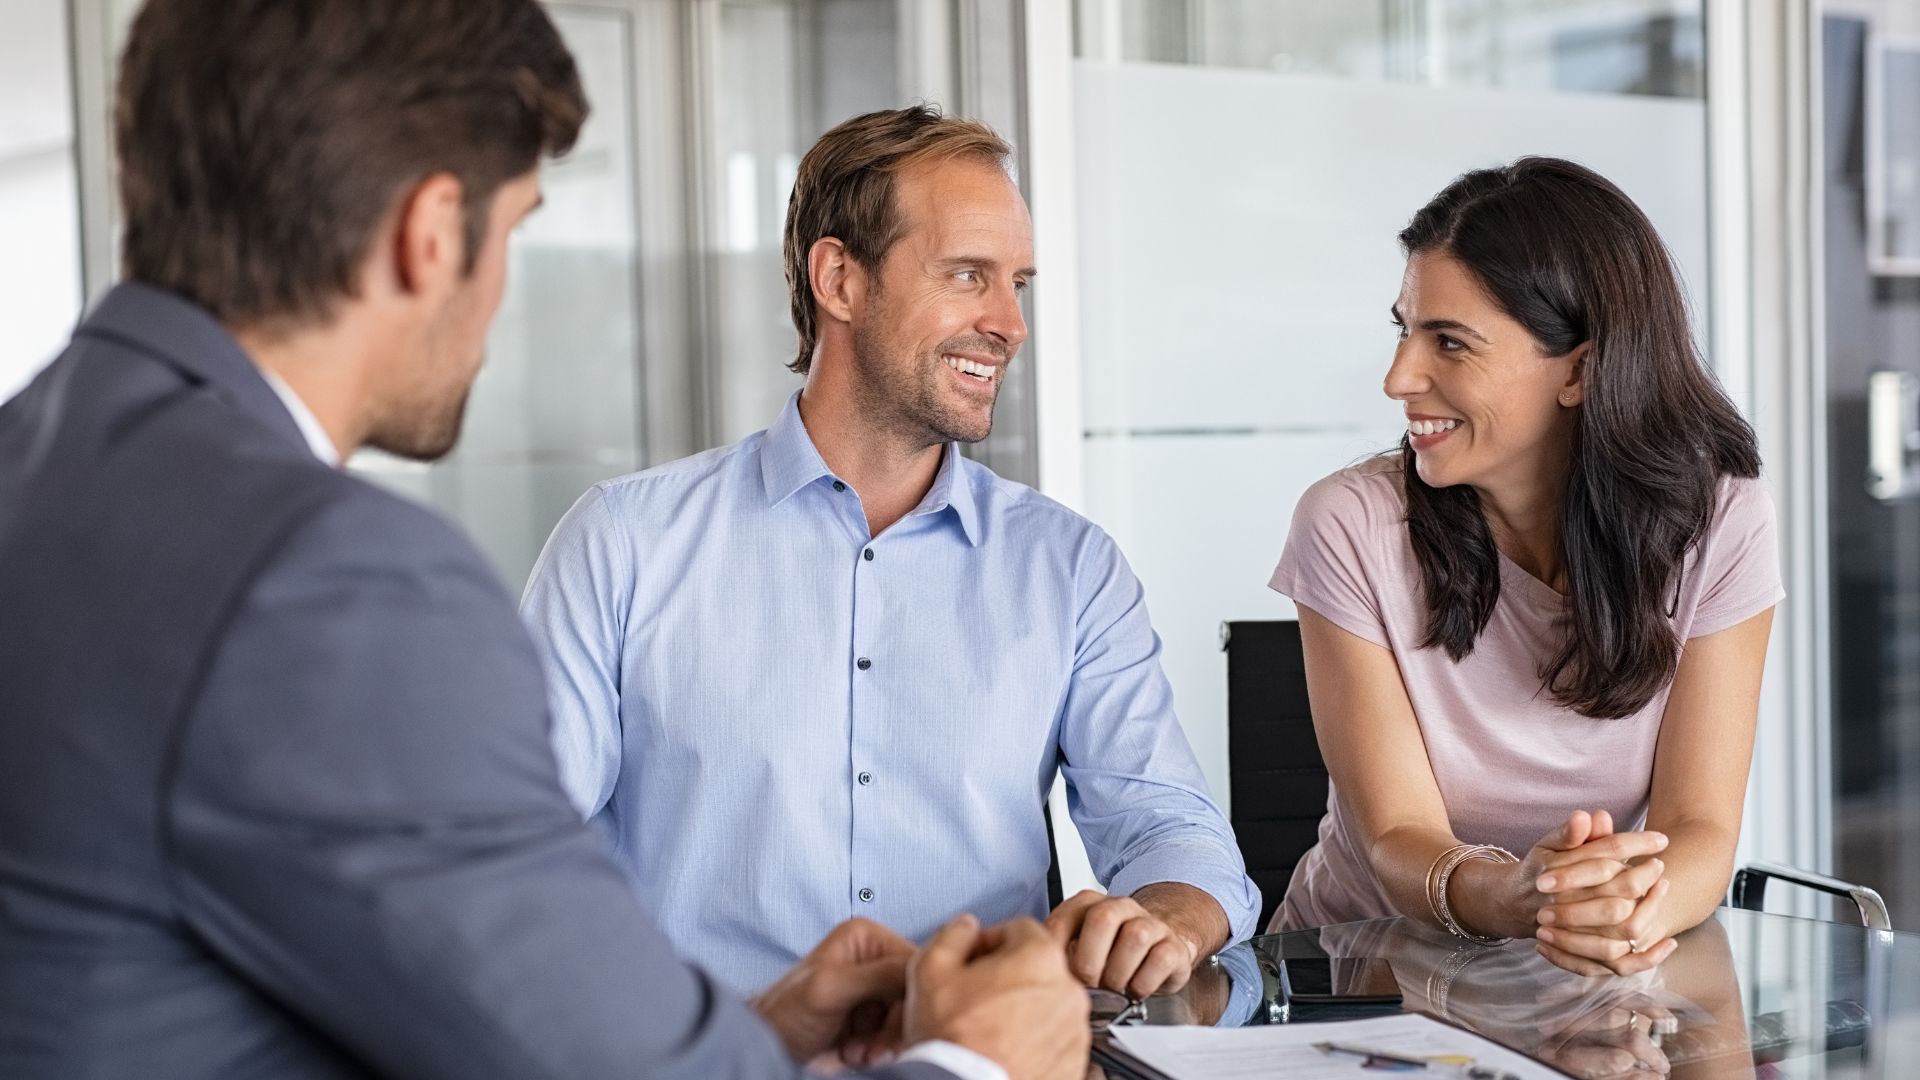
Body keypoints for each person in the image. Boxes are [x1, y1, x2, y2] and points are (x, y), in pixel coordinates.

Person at [0, 3, 1087, 1077]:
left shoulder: (36, 462)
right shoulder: (326, 581)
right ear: (431, 234)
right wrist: (976, 1063)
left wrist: (746, 1034)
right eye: (514, 229)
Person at [520, 105, 1260, 1000]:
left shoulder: (1069, 568)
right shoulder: (624, 544)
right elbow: (521, 850)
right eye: (967, 276)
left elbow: (1168, 825)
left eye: (1017, 283)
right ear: (839, 278)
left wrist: (1167, 917)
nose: (1010, 323)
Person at [1266, 157, 1781, 977]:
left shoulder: (1719, 523)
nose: (1399, 376)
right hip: (1362, 977)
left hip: (1583, 975)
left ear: (1578, 369)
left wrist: (1615, 909)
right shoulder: (1348, 523)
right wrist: (1521, 898)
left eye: (1449, 342)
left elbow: (1700, 830)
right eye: (1404, 328)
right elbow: (1397, 836)